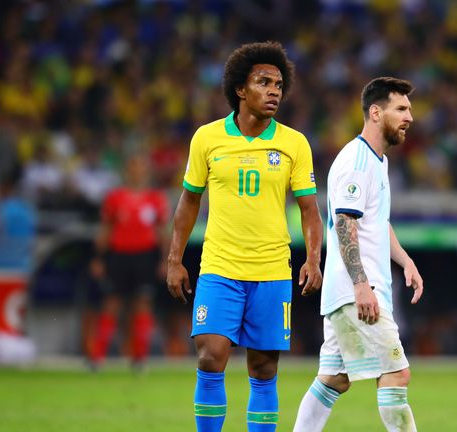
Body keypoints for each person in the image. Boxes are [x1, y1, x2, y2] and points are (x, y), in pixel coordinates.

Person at [165, 41, 323, 432]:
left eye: (279, 85)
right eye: (263, 82)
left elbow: (309, 210)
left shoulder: (293, 143)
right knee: (210, 356)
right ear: (240, 89)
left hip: (271, 269)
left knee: (264, 366)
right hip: (219, 266)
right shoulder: (207, 138)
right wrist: (174, 259)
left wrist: (314, 258)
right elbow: (188, 202)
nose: (274, 91)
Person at [293, 77, 424, 432]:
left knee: (334, 378)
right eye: (401, 108)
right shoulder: (356, 161)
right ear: (376, 112)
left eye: (409, 109)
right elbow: (345, 225)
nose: (409, 117)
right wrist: (362, 286)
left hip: (351, 290)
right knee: (397, 374)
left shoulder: (376, 160)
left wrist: (405, 260)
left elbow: (376, 221)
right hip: (358, 292)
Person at [88, 154, 169, 370]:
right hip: (118, 256)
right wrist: (98, 258)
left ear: (146, 171)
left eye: (140, 167)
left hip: (145, 256)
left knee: (142, 305)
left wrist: (165, 261)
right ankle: (97, 358)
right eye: (133, 166)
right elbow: (105, 229)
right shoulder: (115, 198)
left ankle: (139, 358)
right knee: (111, 304)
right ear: (127, 171)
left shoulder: (155, 199)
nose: (137, 171)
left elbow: (162, 232)